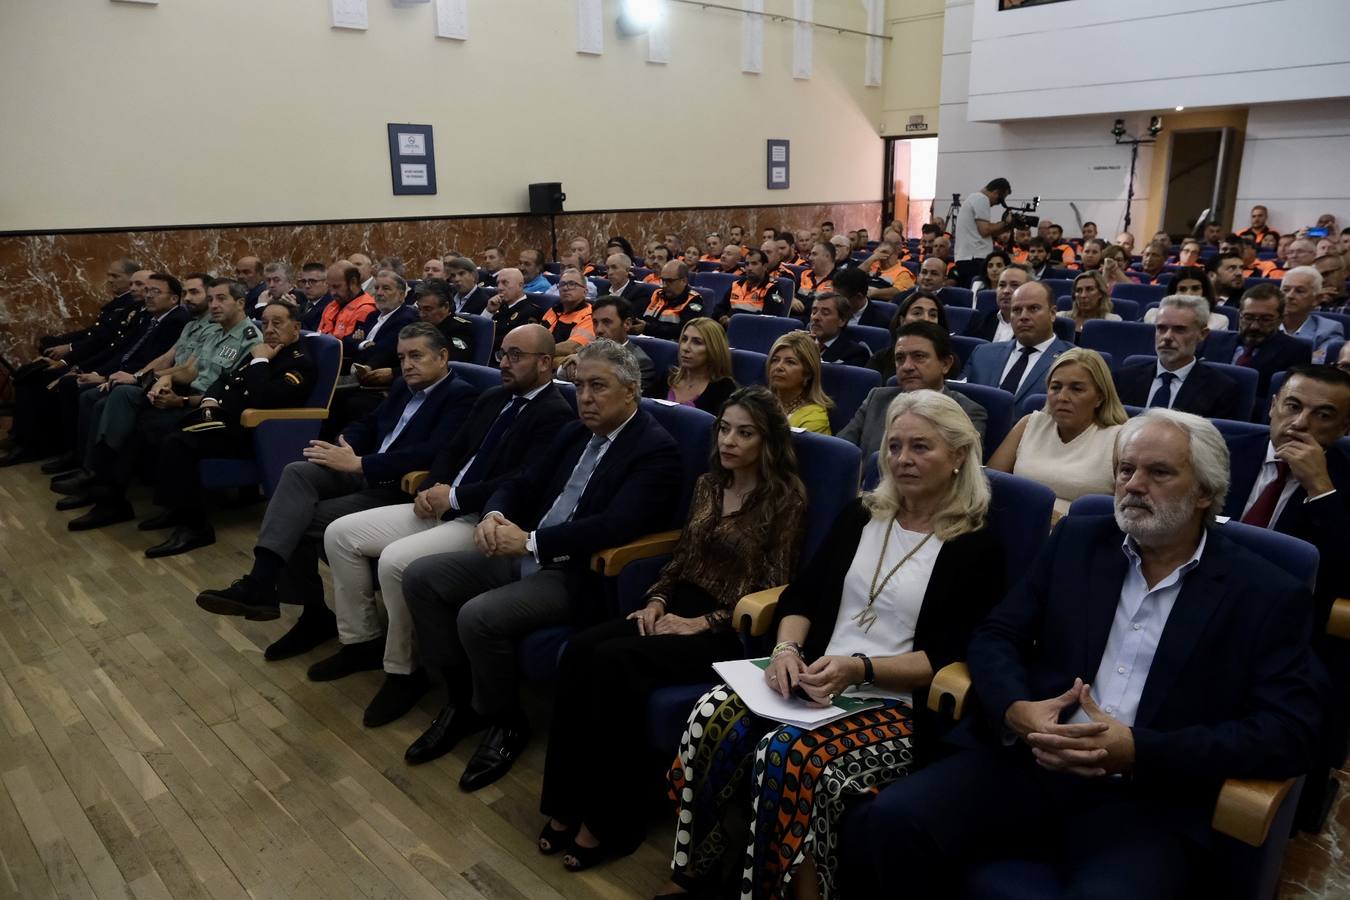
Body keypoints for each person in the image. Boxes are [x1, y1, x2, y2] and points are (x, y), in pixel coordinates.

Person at [848, 408, 1322, 899]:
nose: (1134, 485)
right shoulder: (1078, 541)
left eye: (1159, 472)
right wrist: (1015, 709)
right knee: (891, 820)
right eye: (1125, 470)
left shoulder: (1264, 593)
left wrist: (1138, 750)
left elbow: (1292, 731)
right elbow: (997, 634)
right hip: (1029, 763)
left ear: (1205, 491)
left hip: (1147, 801)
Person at [665, 390, 1005, 899]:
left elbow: (948, 655)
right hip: (814, 676)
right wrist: (785, 651)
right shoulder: (862, 515)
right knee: (710, 715)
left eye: (921, 447)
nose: (903, 459)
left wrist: (859, 669)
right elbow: (801, 595)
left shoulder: (975, 544)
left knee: (787, 755)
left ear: (958, 455)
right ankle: (698, 870)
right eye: (894, 446)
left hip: (894, 701)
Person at [537, 386, 807, 872]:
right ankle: (564, 803)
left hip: (729, 630)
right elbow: (682, 556)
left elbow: (777, 585)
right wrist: (657, 599)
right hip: (677, 606)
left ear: (768, 442)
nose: (729, 441)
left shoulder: (785, 500)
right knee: (579, 651)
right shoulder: (709, 484)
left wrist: (702, 622)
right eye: (724, 429)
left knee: (615, 663)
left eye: (745, 433)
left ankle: (609, 823)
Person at [401, 340, 683, 789]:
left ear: (631, 391)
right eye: (580, 386)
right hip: (524, 549)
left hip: (576, 572)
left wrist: (532, 541)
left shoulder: (655, 450)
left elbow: (616, 525)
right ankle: (461, 701)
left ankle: (506, 720)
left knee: (478, 616)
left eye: (598, 386)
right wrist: (494, 513)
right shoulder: (573, 432)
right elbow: (522, 481)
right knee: (421, 577)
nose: (585, 397)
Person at [312, 326, 571, 727]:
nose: (504, 363)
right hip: (442, 503)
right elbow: (453, 450)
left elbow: (522, 482)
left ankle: (404, 671)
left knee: (395, 561)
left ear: (545, 363)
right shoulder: (493, 397)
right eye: (502, 354)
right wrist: (430, 487)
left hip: (484, 518)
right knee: (340, 534)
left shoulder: (555, 414)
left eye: (516, 356)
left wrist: (453, 497)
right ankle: (360, 641)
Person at [193, 319, 478, 644]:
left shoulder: (461, 396)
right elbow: (369, 423)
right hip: (364, 469)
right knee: (297, 471)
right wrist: (345, 444)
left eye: (416, 356)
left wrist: (360, 464)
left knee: (296, 518)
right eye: (401, 358)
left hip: (395, 487)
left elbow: (434, 452)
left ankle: (301, 608)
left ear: (442, 357)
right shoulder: (403, 386)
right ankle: (265, 583)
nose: (407, 364)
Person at [58, 279, 264, 526]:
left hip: (208, 409)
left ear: (240, 303)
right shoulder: (216, 332)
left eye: (221, 299)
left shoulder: (251, 340)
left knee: (141, 423)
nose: (214, 305)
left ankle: (109, 495)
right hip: (187, 395)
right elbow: (190, 370)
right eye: (210, 299)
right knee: (123, 401)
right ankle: (103, 488)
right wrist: (166, 378)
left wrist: (181, 400)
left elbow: (230, 394)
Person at [140, 301, 317, 558]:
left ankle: (196, 527)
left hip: (257, 435)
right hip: (226, 420)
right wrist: (210, 399)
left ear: (296, 327)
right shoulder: (264, 349)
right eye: (265, 323)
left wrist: (260, 361)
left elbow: (264, 400)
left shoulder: (299, 362)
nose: (269, 329)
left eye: (277, 323)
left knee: (179, 442)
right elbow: (225, 378)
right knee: (161, 428)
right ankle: (177, 508)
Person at [989, 348, 1126, 515]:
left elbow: (1127, 510)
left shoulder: (1119, 440)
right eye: (1055, 387)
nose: (1062, 397)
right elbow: (989, 484)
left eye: (1077, 389)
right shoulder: (1030, 424)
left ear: (1100, 397)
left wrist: (1062, 521)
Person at [839, 322, 988, 450]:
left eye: (919, 356)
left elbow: (965, 468)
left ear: (945, 364)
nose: (907, 366)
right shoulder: (877, 399)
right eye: (900, 358)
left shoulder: (967, 412)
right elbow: (841, 451)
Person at [1116, 296, 1246, 420]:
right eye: (1161, 328)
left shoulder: (1221, 390)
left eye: (1179, 329)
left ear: (1202, 334)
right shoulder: (1122, 380)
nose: (1167, 337)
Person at [963, 281, 1075, 406]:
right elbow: (959, 400)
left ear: (1052, 313)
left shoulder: (1073, 361)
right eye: (1016, 310)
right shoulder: (982, 354)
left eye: (1033, 308)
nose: (1023, 316)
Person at [1216, 283, 1311, 399]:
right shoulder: (1216, 342)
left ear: (1281, 319)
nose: (1254, 326)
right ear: (1240, 315)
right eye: (1248, 317)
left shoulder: (1296, 351)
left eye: (1266, 319)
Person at [562, 295, 656, 396]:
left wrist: (584, 367)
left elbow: (623, 399)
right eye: (595, 322)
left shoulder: (640, 363)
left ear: (627, 324)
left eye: (606, 322)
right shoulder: (588, 350)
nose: (599, 330)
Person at [869, 291, 951, 382]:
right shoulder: (881, 358)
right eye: (917, 313)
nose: (926, 319)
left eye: (933, 315)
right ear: (902, 321)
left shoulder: (946, 359)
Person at [666, 317, 737, 413]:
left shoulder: (724, 389)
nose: (685, 347)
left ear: (714, 349)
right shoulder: (668, 377)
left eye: (697, 342)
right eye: (684, 339)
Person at [767, 331, 832, 435]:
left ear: (808, 373)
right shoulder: (759, 403)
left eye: (790, 362)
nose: (778, 367)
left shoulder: (814, 420)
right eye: (775, 360)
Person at [953, 178, 1014, 288]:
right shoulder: (982, 199)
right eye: (1000, 200)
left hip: (967, 258)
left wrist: (1009, 225)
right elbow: (985, 230)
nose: (997, 204)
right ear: (996, 192)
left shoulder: (973, 198)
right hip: (974, 259)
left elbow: (989, 232)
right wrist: (1006, 223)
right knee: (976, 293)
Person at [1280, 266, 1344, 362]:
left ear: (1316, 299)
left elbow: (1321, 363)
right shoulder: (1264, 323)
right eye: (1285, 290)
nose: (1289, 296)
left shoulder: (1329, 329)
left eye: (1299, 291)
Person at [410, 278, 479, 362]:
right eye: (419, 308)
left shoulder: (459, 330)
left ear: (446, 306)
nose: (421, 314)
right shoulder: (416, 324)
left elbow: (453, 363)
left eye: (428, 309)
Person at [1141, 266, 1230, 331]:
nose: (1189, 294)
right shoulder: (1152, 316)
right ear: (1173, 293)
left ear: (1205, 292)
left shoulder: (1219, 322)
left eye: (1195, 288)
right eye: (1182, 289)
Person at [638, 261, 707, 341]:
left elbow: (684, 330)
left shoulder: (695, 301)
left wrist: (647, 328)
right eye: (663, 280)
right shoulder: (656, 294)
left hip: (670, 344)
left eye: (669, 281)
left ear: (684, 281)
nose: (664, 285)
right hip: (643, 339)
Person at [965, 264, 1028, 343]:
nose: (1006, 291)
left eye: (1014, 285)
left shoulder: (1033, 326)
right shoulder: (987, 319)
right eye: (1002, 285)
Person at [483, 267, 541, 353]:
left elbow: (516, 346)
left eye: (505, 283)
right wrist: (488, 312)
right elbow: (479, 331)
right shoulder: (497, 305)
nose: (499, 288)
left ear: (520, 286)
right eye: (498, 283)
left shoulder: (530, 311)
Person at [717, 249, 785, 322]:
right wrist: (723, 318)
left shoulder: (772, 288)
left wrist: (737, 320)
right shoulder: (736, 285)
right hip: (729, 326)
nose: (749, 268)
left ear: (765, 266)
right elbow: (719, 308)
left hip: (754, 327)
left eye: (754, 264)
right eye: (747, 264)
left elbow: (771, 317)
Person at [542, 268, 596, 355]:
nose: (565, 288)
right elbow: (538, 334)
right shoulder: (554, 309)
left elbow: (572, 347)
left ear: (585, 292)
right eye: (562, 284)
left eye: (572, 284)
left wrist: (537, 351)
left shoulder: (590, 316)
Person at [318, 263, 378, 341]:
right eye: (329, 287)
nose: (332, 293)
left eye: (336, 287)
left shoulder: (366, 310)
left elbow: (351, 344)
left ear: (353, 282)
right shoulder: (331, 306)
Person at [809, 293, 869, 366]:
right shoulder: (800, 343)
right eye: (814, 312)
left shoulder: (855, 353)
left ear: (842, 320)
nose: (815, 317)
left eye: (825, 313)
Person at [1058, 270, 1120, 341]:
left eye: (1090, 289)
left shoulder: (1112, 321)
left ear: (1100, 293)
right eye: (1079, 290)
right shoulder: (1060, 318)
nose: (1083, 295)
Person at [795, 242, 839, 313]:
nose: (810, 258)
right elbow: (788, 294)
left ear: (827, 256)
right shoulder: (803, 274)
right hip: (795, 316)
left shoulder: (839, 279)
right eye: (810, 254)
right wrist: (792, 300)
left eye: (814, 254)